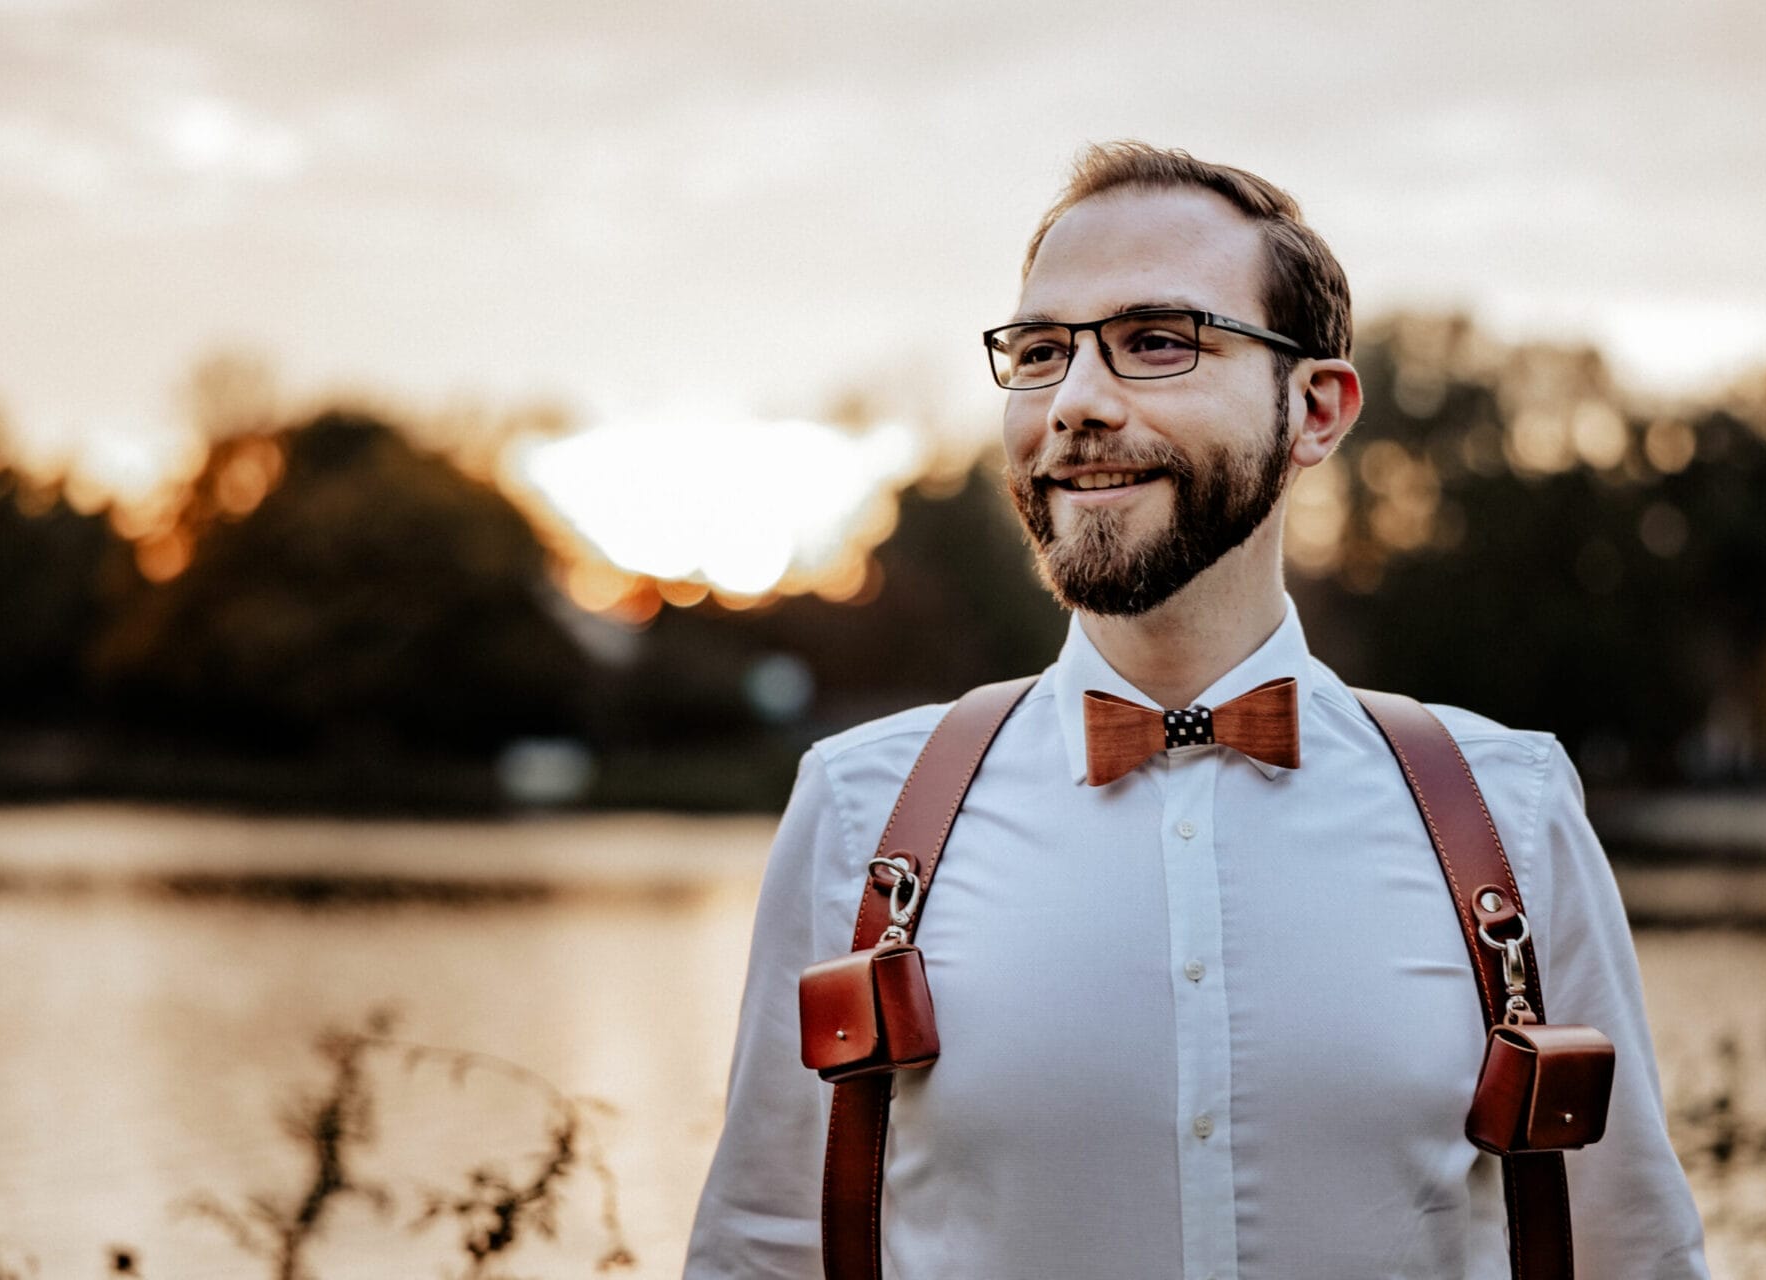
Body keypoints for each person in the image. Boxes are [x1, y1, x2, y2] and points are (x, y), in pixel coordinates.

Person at [684, 142, 1709, 1279]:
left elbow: (1635, 1254)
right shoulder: (860, 811)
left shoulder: (1507, 811)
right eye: (1039, 351)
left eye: (1156, 341)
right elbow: (761, 1249)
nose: (1074, 401)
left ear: (1314, 407)